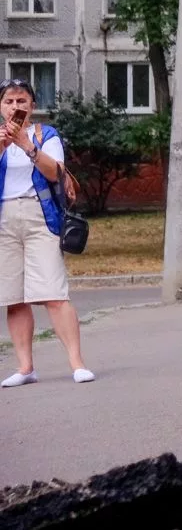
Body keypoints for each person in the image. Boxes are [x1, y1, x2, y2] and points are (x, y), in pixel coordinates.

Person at [0, 79, 93, 386]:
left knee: (54, 294)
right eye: (10, 101)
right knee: (14, 298)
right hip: (4, 221)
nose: (16, 106)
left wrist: (26, 144)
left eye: (22, 100)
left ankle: (77, 363)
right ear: (1, 107)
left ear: (33, 106)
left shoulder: (45, 135)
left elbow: (55, 172)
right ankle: (26, 368)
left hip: (41, 217)